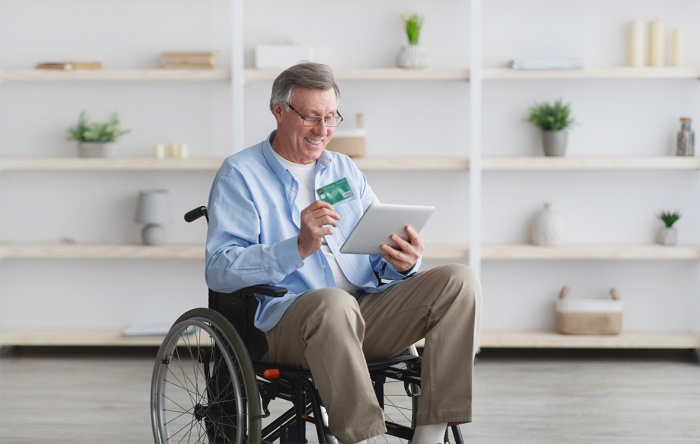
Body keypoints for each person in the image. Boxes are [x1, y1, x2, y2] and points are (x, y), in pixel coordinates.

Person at [205, 62, 481, 444]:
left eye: (331, 116)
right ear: (279, 112)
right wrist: (298, 247)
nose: (323, 130)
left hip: (363, 310)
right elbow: (220, 270)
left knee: (459, 281)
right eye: (311, 117)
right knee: (333, 303)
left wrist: (402, 261)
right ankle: (362, 437)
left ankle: (430, 434)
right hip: (287, 323)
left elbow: (374, 247)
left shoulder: (342, 170)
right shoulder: (241, 175)